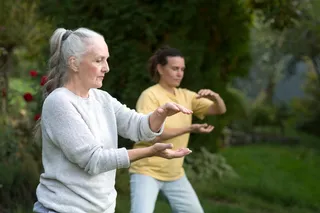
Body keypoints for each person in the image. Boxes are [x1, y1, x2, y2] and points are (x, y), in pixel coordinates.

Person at [32, 28, 194, 213]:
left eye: (106, 59)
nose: (106, 68)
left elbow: (137, 127)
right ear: (74, 63)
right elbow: (94, 160)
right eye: (98, 60)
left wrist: (160, 113)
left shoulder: (102, 99)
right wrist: (150, 151)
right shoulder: (59, 102)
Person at [129, 46, 227, 213]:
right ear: (160, 69)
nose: (179, 73)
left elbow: (219, 110)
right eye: (174, 68)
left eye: (182, 69)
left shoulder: (186, 95)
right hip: (147, 170)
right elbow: (152, 135)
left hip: (175, 174)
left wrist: (215, 97)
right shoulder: (150, 95)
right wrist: (188, 128)